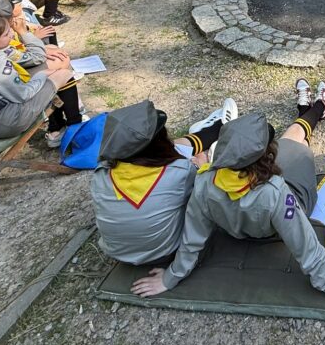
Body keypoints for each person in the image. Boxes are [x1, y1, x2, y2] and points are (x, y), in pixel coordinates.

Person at [130, 85, 325, 313]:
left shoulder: (204, 183)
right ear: (266, 157)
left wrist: (170, 277)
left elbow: (192, 239)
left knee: (292, 141)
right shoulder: (277, 193)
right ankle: (318, 108)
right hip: (284, 209)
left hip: (244, 222)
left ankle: (311, 110)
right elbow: (306, 246)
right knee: (295, 143)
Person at [91, 98, 237, 267]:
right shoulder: (179, 171)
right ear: (160, 142)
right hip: (166, 253)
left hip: (118, 254)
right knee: (200, 188)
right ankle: (215, 139)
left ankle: (209, 132)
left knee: (174, 156)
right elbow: (206, 188)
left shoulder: (101, 174)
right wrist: (202, 164)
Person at [0, 12, 82, 144]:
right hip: (6, 123)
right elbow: (23, 94)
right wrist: (42, 75)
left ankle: (59, 127)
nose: (12, 34)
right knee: (64, 74)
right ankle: (75, 128)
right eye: (6, 34)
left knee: (51, 71)